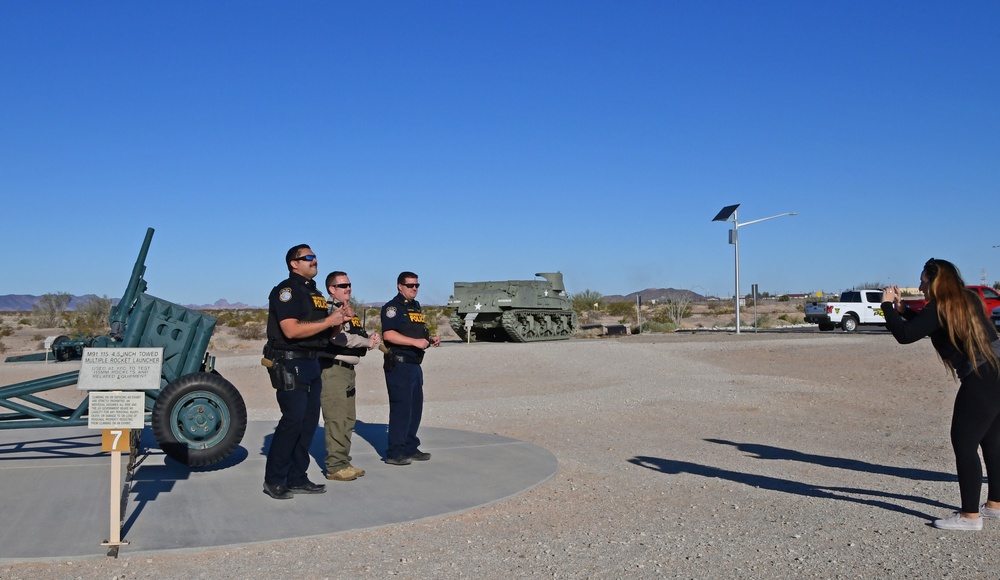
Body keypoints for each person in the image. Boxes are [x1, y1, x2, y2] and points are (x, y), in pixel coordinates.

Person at [882, 258, 1000, 530]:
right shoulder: (966, 299)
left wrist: (887, 305)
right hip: (997, 372)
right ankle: (995, 505)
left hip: (982, 378)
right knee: (992, 441)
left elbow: (904, 335)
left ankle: (970, 517)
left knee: (964, 444)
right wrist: (903, 310)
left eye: (923, 280)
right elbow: (932, 324)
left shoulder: (939, 307)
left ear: (935, 281)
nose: (921, 286)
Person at [262, 244, 349, 500]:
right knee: (292, 422)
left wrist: (337, 321)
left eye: (315, 257)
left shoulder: (315, 293)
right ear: (294, 263)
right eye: (308, 257)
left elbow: (323, 331)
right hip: (291, 363)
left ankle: (298, 477)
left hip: (312, 362)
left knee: (308, 424)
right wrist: (328, 321)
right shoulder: (287, 291)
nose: (314, 261)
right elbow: (290, 330)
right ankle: (275, 480)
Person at [320, 271, 381, 481]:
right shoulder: (330, 310)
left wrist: (369, 338)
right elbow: (338, 338)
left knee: (348, 418)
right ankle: (335, 465)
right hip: (333, 368)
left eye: (349, 285)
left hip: (347, 370)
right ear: (332, 289)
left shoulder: (347, 310)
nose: (348, 288)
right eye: (343, 285)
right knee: (336, 418)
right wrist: (366, 343)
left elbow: (354, 334)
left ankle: (343, 461)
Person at [380, 271, 440, 465]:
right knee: (401, 408)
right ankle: (395, 452)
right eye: (410, 285)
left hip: (414, 365)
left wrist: (429, 340)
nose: (414, 288)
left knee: (415, 408)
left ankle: (410, 446)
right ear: (400, 286)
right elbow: (389, 335)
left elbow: (414, 332)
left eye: (417, 285)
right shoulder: (392, 308)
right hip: (399, 364)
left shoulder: (415, 307)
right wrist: (415, 342)